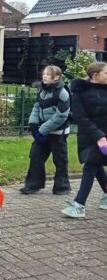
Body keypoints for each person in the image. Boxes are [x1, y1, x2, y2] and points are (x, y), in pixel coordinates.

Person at [61, 61, 107, 218]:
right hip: (89, 136)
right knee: (95, 165)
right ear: (95, 75)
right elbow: (80, 117)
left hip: (105, 136)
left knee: (92, 165)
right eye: (106, 73)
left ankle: (79, 204)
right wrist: (98, 136)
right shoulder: (80, 92)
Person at [20, 65, 71, 195]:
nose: (44, 76)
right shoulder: (42, 91)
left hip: (58, 134)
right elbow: (36, 107)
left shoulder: (63, 93)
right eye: (44, 74)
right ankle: (33, 185)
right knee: (36, 156)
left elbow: (61, 115)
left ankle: (62, 186)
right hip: (42, 133)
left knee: (60, 161)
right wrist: (33, 123)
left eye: (48, 74)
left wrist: (42, 130)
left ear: (56, 78)